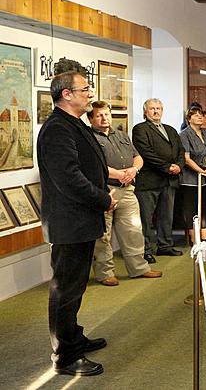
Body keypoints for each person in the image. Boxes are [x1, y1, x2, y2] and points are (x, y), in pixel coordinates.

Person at [38, 69, 118, 376]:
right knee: (65, 290)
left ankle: (74, 337)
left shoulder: (73, 123)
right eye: (84, 89)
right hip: (69, 223)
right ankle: (65, 356)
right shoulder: (57, 129)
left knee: (75, 287)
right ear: (66, 94)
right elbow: (69, 179)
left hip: (81, 221)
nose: (90, 93)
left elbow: (87, 167)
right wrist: (104, 199)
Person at [88, 101, 161, 286]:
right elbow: (94, 166)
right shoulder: (88, 138)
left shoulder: (121, 135)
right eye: (99, 115)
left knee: (133, 230)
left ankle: (139, 269)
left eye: (106, 114)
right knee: (103, 235)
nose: (104, 118)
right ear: (90, 118)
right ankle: (105, 273)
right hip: (105, 190)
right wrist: (119, 174)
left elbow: (137, 157)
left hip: (127, 190)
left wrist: (134, 170)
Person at [133, 98, 184, 260]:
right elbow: (146, 153)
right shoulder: (140, 129)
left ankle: (165, 246)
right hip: (150, 180)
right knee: (146, 219)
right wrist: (167, 167)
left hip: (169, 181)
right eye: (152, 109)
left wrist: (179, 166)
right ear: (145, 112)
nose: (156, 111)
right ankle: (146, 250)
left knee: (166, 216)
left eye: (159, 108)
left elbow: (181, 151)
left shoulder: (170, 130)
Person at [178, 107, 206, 241]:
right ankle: (195, 240)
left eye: (201, 115)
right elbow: (186, 158)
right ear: (189, 119)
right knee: (192, 209)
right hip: (191, 179)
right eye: (196, 115)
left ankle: (205, 238)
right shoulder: (184, 135)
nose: (200, 117)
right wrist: (201, 171)